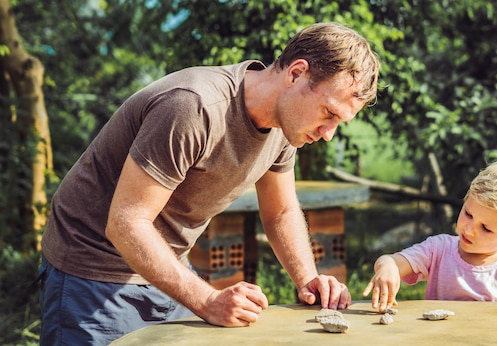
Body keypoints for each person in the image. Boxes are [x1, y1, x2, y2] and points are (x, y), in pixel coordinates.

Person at [39, 22, 380, 344]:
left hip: (165, 264)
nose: (328, 134)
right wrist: (206, 300)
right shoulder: (194, 107)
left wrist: (308, 280)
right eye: (329, 113)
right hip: (93, 270)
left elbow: (281, 211)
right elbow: (126, 221)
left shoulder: (285, 127)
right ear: (296, 74)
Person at [363, 160, 497, 312]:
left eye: (486, 229)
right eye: (468, 214)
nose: (470, 229)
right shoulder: (438, 249)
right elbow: (392, 261)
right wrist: (388, 267)